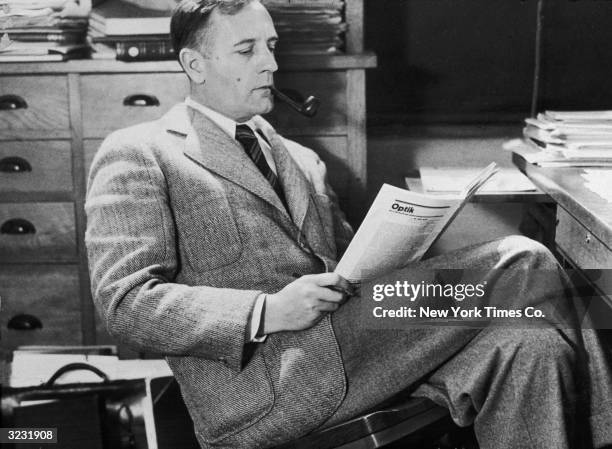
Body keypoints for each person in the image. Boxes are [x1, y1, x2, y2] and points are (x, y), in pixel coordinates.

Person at [85, 1, 612, 448]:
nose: (269, 64)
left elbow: (348, 269)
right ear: (194, 65)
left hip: (356, 350)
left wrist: (403, 248)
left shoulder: (298, 158)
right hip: (268, 386)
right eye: (246, 51)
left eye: (270, 46)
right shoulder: (140, 153)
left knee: (532, 346)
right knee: (526, 259)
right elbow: (125, 302)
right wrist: (266, 311)